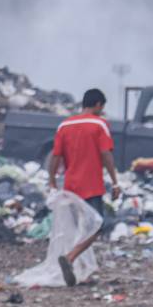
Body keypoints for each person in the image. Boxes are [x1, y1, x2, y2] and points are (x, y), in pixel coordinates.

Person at [48, 88, 121, 286]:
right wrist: (115, 181)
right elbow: (106, 153)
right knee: (96, 227)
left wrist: (52, 180)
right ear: (98, 104)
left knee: (78, 229)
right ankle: (70, 258)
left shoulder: (64, 125)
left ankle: (80, 272)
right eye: (102, 107)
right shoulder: (99, 124)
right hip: (91, 185)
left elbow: (55, 156)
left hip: (70, 185)